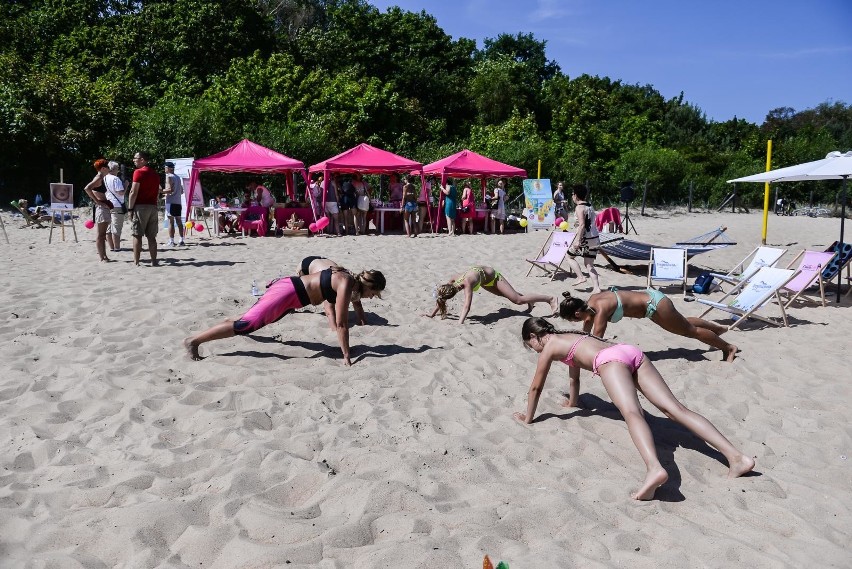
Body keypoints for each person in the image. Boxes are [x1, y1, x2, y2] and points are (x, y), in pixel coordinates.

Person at [514, 317, 755, 500]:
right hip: (630, 352)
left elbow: (536, 387)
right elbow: (574, 375)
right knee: (676, 409)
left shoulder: (548, 347)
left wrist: (528, 418)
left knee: (632, 412)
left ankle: (654, 469)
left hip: (611, 361)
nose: (533, 349)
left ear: (535, 337)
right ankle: (737, 457)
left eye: (530, 345)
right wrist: (573, 402)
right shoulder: (569, 336)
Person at [184, 266, 386, 365]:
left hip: (292, 295)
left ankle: (220, 328)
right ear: (370, 286)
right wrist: (347, 356)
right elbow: (342, 324)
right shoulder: (346, 282)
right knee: (245, 325)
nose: (371, 298)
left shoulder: (348, 280)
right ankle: (194, 341)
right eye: (374, 294)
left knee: (249, 321)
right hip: (288, 293)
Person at [559, 290, 738, 362]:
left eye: (573, 320)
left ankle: (728, 347)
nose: (578, 322)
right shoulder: (590, 303)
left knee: (689, 331)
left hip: (655, 304)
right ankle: (717, 329)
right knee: (682, 322)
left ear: (577, 313)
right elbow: (586, 331)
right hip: (651, 303)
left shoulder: (600, 309)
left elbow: (596, 340)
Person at [425, 265, 558, 324]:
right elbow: (441, 297)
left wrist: (460, 323)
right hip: (484, 281)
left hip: (493, 276)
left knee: (517, 300)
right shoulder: (453, 280)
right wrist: (432, 314)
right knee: (508, 295)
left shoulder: (467, 283)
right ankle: (529, 300)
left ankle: (550, 299)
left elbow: (467, 306)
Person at [297, 256, 380, 328]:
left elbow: (357, 304)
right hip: (305, 267)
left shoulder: (356, 283)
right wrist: (335, 329)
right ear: (367, 287)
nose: (371, 297)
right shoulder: (343, 282)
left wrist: (363, 321)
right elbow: (329, 309)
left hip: (322, 262)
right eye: (372, 294)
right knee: (306, 299)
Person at [564, 184, 601, 293]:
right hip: (594, 237)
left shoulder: (579, 207)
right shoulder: (590, 206)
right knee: (589, 264)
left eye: (572, 194)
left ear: (576, 195)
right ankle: (596, 287)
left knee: (569, 256)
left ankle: (580, 277)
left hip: (585, 239)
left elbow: (582, 225)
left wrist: (578, 241)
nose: (572, 196)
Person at [126, 151, 161, 266]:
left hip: (141, 207)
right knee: (152, 236)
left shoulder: (138, 172)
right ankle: (154, 261)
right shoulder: (155, 174)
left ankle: (136, 262)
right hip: (153, 206)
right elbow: (157, 192)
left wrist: (130, 209)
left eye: (135, 158)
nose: (133, 160)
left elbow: (133, 192)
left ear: (142, 159)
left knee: (137, 234)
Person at [83, 159, 114, 262]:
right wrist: (97, 201)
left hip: (102, 206)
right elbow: (87, 188)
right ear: (103, 168)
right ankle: (102, 257)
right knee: (101, 235)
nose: (109, 169)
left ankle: (104, 256)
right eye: (108, 167)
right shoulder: (99, 178)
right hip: (101, 207)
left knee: (102, 234)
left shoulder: (101, 177)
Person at [103, 161, 126, 252]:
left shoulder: (104, 178)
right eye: (117, 168)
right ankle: (117, 247)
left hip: (107, 203)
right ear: (114, 169)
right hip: (116, 204)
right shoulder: (115, 179)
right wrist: (126, 186)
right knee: (116, 227)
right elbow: (120, 192)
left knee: (108, 227)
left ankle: (111, 247)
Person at [162, 161, 185, 247]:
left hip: (171, 202)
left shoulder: (169, 177)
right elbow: (181, 191)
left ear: (168, 168)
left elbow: (169, 190)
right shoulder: (178, 177)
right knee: (179, 221)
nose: (164, 169)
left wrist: (159, 190)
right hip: (178, 202)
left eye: (165, 167)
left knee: (171, 222)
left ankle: (171, 241)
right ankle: (181, 240)